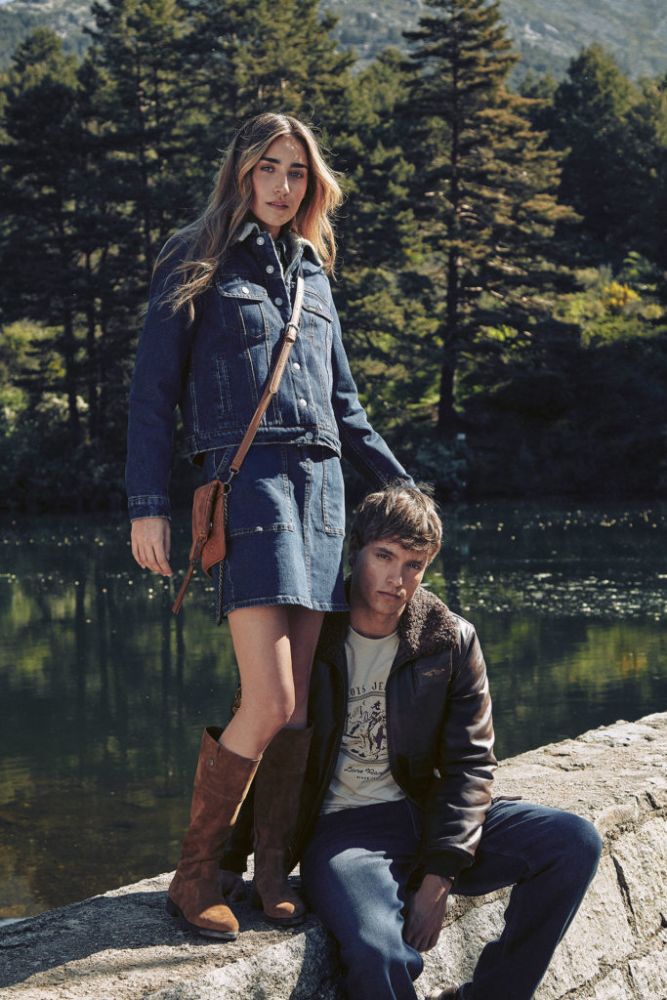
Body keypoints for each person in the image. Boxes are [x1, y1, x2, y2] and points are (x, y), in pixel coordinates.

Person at [125, 113, 412, 941]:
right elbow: (152, 393)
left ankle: (272, 867)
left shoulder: (314, 273)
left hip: (321, 495)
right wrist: (146, 506)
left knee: (298, 707)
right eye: (268, 168)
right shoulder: (196, 255)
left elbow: (346, 406)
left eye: (296, 172)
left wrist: (404, 488)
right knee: (271, 695)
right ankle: (194, 874)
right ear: (241, 172)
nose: (283, 187)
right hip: (247, 489)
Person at [220, 484, 603, 999]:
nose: (397, 579)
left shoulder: (448, 638)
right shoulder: (307, 635)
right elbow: (259, 747)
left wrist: (441, 874)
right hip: (343, 831)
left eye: (414, 565)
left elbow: (471, 763)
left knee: (573, 841)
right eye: (385, 556)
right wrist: (228, 858)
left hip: (427, 810)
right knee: (379, 954)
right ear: (355, 550)